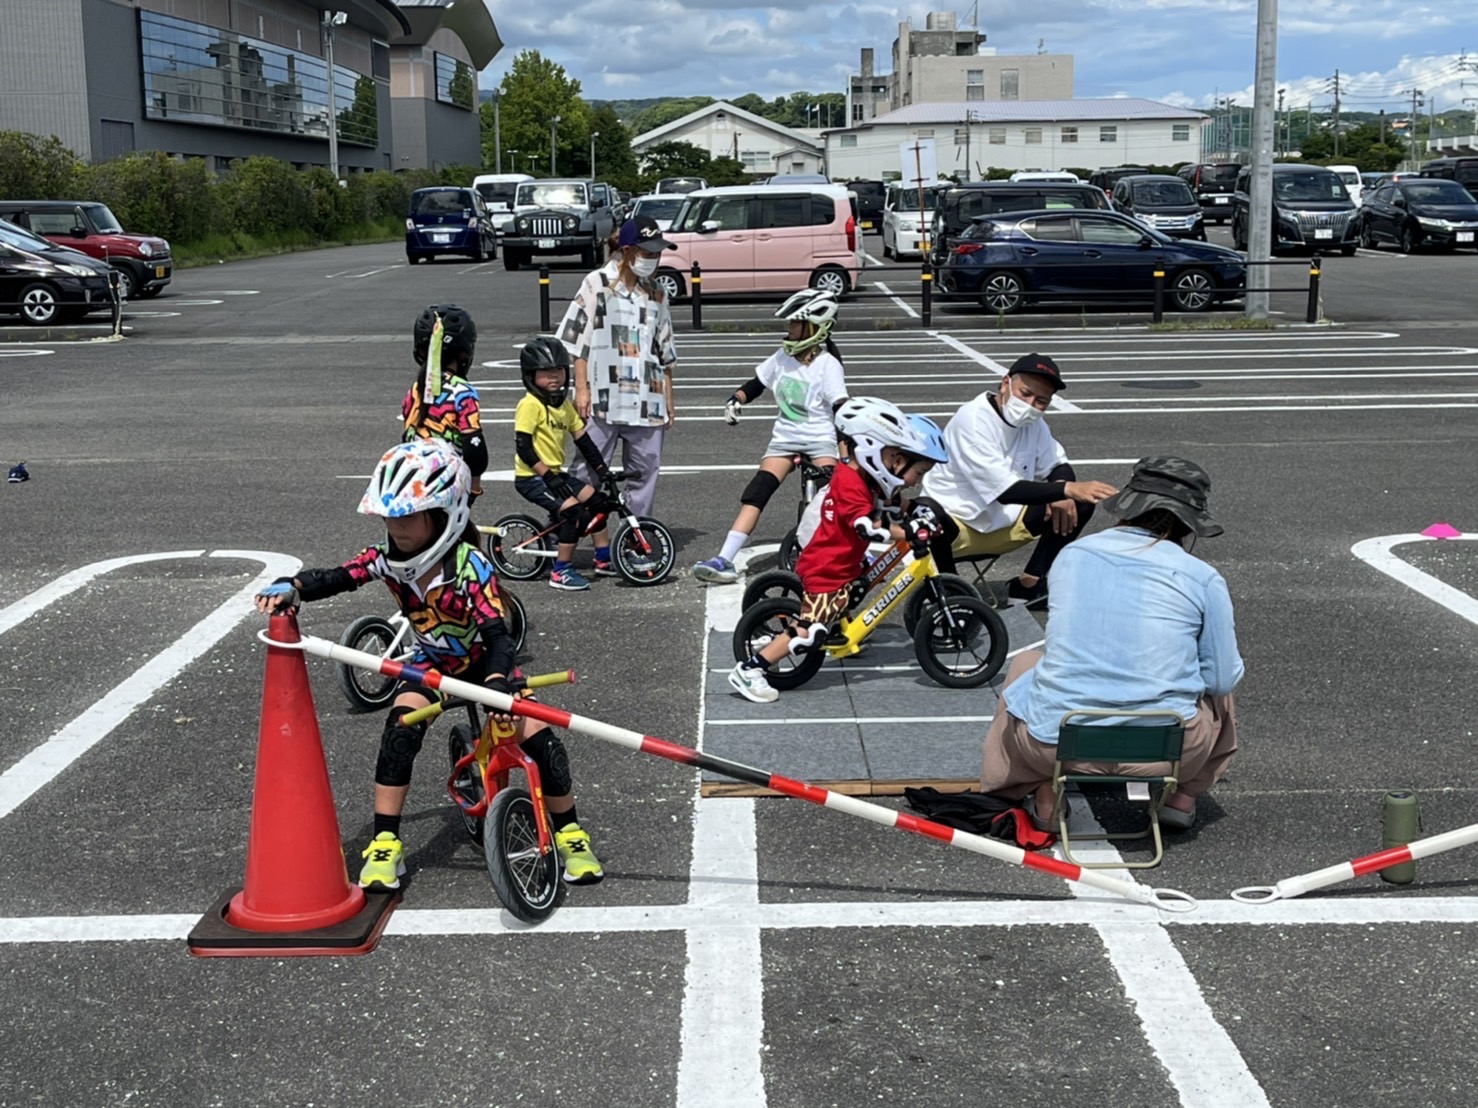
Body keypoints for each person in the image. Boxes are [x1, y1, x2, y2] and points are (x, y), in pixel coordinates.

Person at [253, 439, 603, 888]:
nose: (394, 527)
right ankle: (385, 842)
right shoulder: (386, 559)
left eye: (407, 516)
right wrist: (294, 586)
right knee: (399, 734)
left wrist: (498, 682)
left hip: (487, 667)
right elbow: (339, 577)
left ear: (444, 513)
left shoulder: (469, 565)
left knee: (542, 741)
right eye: (388, 516)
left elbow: (498, 636)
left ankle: (570, 833)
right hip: (431, 665)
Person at [980, 456, 1242, 832]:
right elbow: (1221, 678)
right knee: (1221, 688)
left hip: (1058, 744)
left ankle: (1043, 796)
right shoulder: (1202, 577)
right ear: (1189, 524)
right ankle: (1181, 798)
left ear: (1127, 506)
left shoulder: (1072, 556)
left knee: (1026, 665)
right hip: (1164, 751)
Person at [728, 397, 940, 704]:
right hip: (826, 569)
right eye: (896, 456)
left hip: (841, 564)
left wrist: (915, 510)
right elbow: (866, 525)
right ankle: (751, 669)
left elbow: (888, 502)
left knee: (850, 596)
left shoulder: (862, 478)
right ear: (873, 449)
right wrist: (907, 531)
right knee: (810, 630)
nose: (908, 474)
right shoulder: (850, 484)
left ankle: (784, 641)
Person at [921, 353, 1117, 609]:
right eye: (1025, 393)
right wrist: (1065, 489)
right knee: (926, 510)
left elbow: (1058, 465)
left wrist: (1063, 491)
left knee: (1078, 504)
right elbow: (1006, 492)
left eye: (1041, 401)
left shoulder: (1034, 423)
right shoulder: (973, 419)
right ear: (1006, 383)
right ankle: (952, 596)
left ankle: (1027, 586)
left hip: (1005, 525)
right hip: (956, 529)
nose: (1030, 405)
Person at [692, 289, 849, 584]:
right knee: (757, 492)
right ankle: (724, 559)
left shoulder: (828, 365)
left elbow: (841, 410)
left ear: (814, 327)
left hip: (819, 439)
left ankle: (845, 556)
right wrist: (736, 399)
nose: (789, 328)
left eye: (795, 323)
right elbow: (756, 384)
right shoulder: (782, 357)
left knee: (832, 497)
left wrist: (845, 456)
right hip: (785, 439)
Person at [560, 215, 679, 518]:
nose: (653, 259)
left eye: (657, 253)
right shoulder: (597, 284)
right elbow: (578, 340)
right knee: (587, 470)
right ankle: (567, 528)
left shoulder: (657, 292)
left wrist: (669, 398)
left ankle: (637, 536)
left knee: (645, 473)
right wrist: (581, 388)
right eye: (647, 252)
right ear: (627, 250)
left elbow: (664, 349)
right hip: (603, 397)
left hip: (648, 399)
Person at [513, 337, 615, 592]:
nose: (554, 377)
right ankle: (561, 570)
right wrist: (548, 476)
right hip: (532, 478)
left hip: (555, 474)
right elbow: (524, 448)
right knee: (573, 512)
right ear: (530, 375)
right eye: (546, 372)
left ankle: (603, 558)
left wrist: (603, 471)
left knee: (599, 502)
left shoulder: (564, 406)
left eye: (559, 370)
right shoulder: (530, 405)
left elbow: (584, 442)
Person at [402, 305, 487, 494]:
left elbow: (407, 434)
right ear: (464, 352)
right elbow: (474, 446)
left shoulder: (415, 389)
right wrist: (474, 489)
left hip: (413, 477)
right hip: (447, 481)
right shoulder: (462, 391)